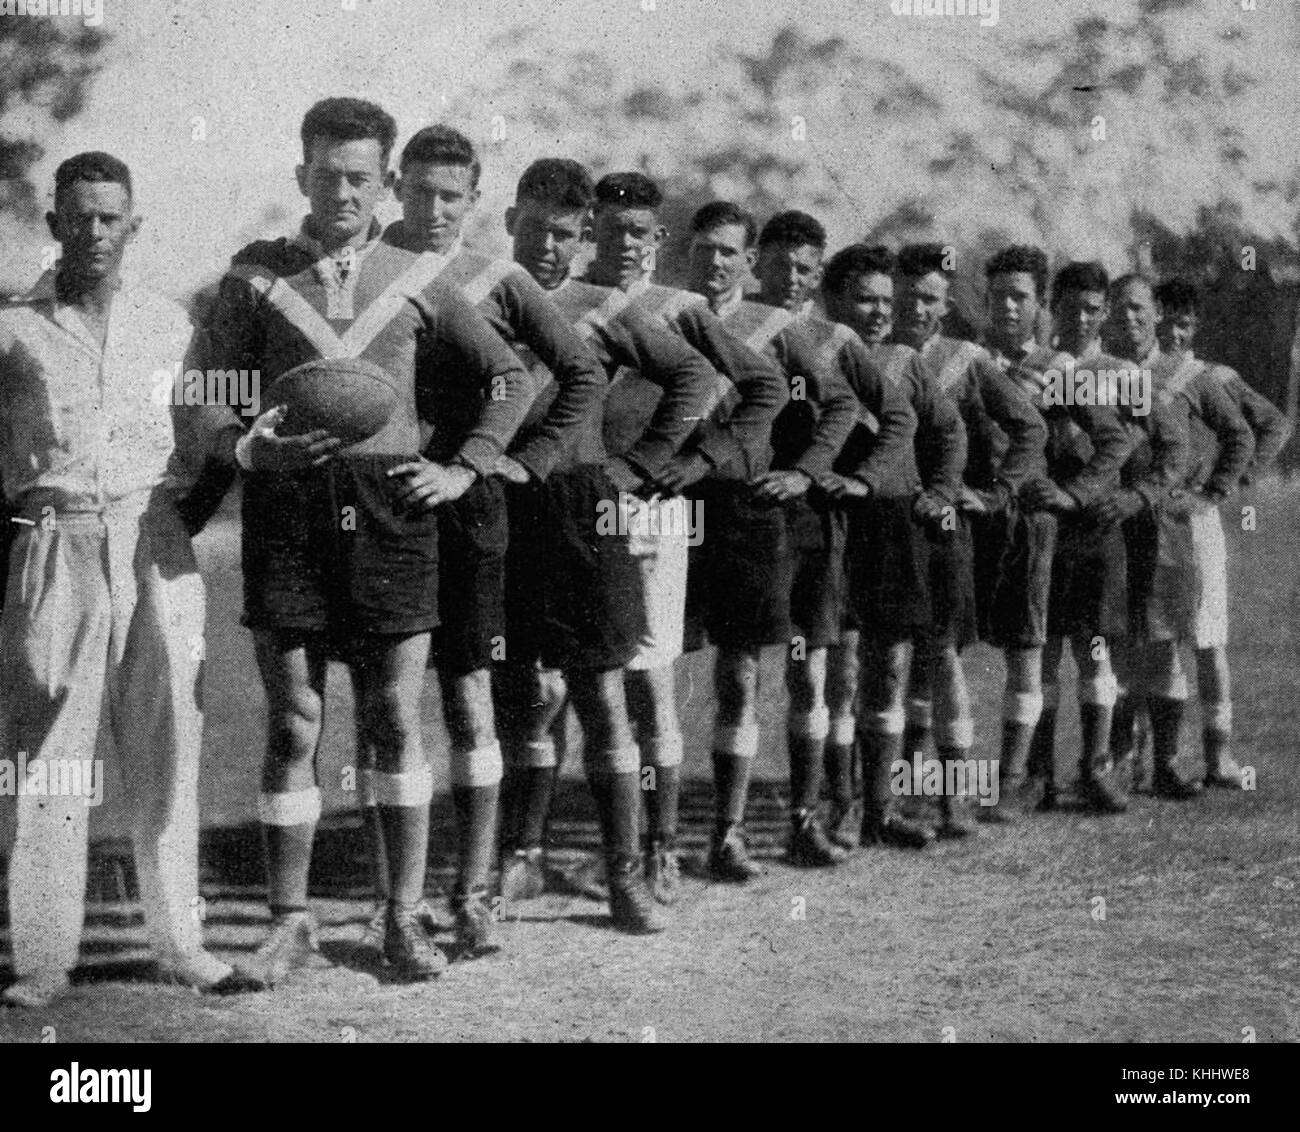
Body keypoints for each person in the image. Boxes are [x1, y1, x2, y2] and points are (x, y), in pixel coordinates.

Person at [200, 98, 533, 984]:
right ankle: (288, 924)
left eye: (359, 176)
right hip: (288, 507)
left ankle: (402, 917)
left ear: (385, 182)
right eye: (324, 174)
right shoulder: (257, 277)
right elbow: (204, 389)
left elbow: (509, 376)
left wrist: (467, 468)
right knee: (295, 718)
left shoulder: (418, 275)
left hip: (393, 510)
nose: (341, 190)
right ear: (299, 174)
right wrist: (242, 445)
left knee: (393, 716)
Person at [0, 152, 256, 1007]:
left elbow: (222, 430)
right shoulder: (14, 329)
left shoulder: (171, 326)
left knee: (169, 745)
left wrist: (186, 519)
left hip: (154, 543)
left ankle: (183, 945)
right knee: (48, 760)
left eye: (112, 217)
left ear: (134, 226)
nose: (96, 232)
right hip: (55, 542)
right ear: (56, 224)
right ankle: (40, 962)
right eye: (80, 216)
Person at [352, 124, 606, 955]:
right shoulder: (365, 265)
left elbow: (582, 374)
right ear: (396, 187)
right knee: (380, 705)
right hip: (379, 503)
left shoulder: (498, 277)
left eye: (450, 196)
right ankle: (394, 899)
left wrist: (510, 461)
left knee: (467, 698)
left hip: (467, 507)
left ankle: (476, 892)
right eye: (419, 191)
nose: (432, 209)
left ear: (473, 198)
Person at [493, 158, 716, 925]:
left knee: (601, 692)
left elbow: (696, 380)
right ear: (508, 222)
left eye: (565, 234)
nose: (549, 248)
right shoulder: (474, 296)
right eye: (536, 229)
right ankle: (519, 859)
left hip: (587, 507)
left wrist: (641, 467)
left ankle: (626, 873)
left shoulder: (595, 305)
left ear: (582, 235)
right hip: (500, 503)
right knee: (520, 692)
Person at [684, 201, 860, 866]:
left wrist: (805, 473)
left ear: (745, 260)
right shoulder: (660, 309)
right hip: (666, 504)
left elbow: (841, 403)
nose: (717, 262)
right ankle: (638, 841)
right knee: (628, 670)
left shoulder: (774, 324)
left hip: (747, 510)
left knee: (746, 671)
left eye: (731, 252)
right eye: (706, 250)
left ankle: (766, 825)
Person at [890, 242, 1050, 832]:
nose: (916, 308)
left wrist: (996, 493)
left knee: (941, 654)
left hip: (941, 529)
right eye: (907, 296)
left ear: (946, 303)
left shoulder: (964, 358)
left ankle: (953, 791)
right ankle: (898, 786)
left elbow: (1028, 427)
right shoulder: (867, 352)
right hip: (874, 527)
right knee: (883, 659)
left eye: (930, 298)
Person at [820, 241, 969, 840]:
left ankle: (881, 809)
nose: (880, 312)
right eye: (865, 300)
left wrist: (942, 491)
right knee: (840, 668)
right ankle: (841, 805)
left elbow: (950, 430)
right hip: (831, 522)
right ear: (835, 301)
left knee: (888, 665)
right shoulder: (813, 351)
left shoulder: (906, 360)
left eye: (887, 301)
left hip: (893, 526)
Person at [1151, 278, 1285, 788]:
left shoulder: (1211, 376)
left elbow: (1272, 425)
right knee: (1155, 639)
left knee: (1207, 640)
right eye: (1165, 322)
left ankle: (1219, 755)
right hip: (1147, 520)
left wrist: (1226, 485)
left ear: (1195, 328)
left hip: (1196, 521)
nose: (1173, 334)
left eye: (1183, 324)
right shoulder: (1133, 372)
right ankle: (1148, 756)